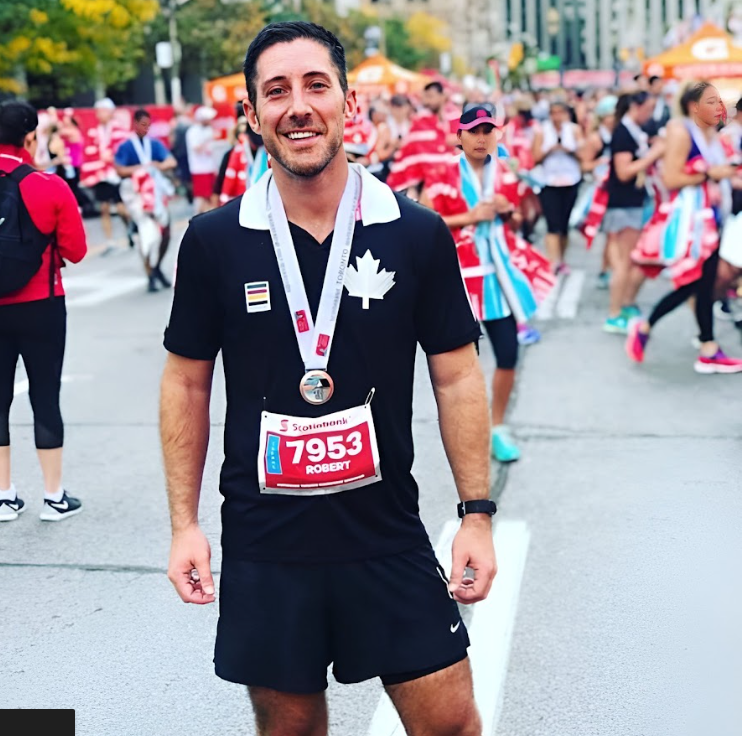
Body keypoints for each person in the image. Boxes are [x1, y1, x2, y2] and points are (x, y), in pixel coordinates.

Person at [160, 21, 496, 736]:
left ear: (349, 102)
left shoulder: (414, 232)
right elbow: (186, 382)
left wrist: (475, 512)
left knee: (451, 726)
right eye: (275, 91)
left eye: (316, 85)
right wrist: (184, 524)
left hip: (386, 534)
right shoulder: (216, 240)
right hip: (266, 543)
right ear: (250, 115)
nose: (298, 106)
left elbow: (458, 377)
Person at [420, 106, 554, 462]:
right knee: (466, 365)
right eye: (474, 131)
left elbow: (520, 218)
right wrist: (471, 216)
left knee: (508, 354)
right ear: (459, 136)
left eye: (488, 131)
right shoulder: (442, 171)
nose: (481, 138)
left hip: (500, 277)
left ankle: (497, 426)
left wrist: (509, 210)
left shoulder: (505, 171)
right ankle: (469, 427)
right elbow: (425, 222)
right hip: (459, 278)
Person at [0, 100, 87, 522]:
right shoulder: (49, 186)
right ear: (31, 136)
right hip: (42, 304)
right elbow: (77, 250)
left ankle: (4, 495)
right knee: (44, 395)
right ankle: (54, 497)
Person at [627, 82, 742, 373]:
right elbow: (672, 178)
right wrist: (710, 174)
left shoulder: (710, 134)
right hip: (693, 222)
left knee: (704, 284)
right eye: (712, 102)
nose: (720, 108)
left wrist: (724, 173)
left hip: (712, 217)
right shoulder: (681, 130)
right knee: (694, 282)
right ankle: (649, 327)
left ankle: (708, 346)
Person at [601, 92, 665, 334]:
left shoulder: (636, 131)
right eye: (648, 109)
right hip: (624, 205)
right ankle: (614, 313)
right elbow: (624, 172)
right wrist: (653, 155)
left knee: (631, 261)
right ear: (636, 108)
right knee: (624, 263)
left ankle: (625, 305)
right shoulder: (624, 133)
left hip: (634, 203)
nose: (650, 115)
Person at [115, 108, 177, 292]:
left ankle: (156, 267)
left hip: (156, 193)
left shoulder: (154, 144)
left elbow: (170, 161)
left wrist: (157, 165)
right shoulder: (127, 146)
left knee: (165, 231)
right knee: (146, 233)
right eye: (143, 125)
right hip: (138, 194)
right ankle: (150, 272)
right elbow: (119, 169)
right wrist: (140, 169)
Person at [531, 100, 584, 273]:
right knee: (552, 223)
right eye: (554, 113)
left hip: (570, 180)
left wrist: (569, 150)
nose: (557, 117)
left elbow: (584, 153)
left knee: (564, 224)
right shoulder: (542, 131)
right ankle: (553, 260)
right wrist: (550, 149)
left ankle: (562, 258)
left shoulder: (574, 130)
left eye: (560, 112)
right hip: (549, 181)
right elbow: (535, 156)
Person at [386, 81, 458, 197]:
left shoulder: (454, 117)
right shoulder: (421, 121)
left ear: (442, 96)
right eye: (425, 97)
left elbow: (464, 141)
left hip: (451, 177)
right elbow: (410, 150)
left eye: (431, 96)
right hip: (424, 179)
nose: (427, 101)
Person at [576, 93, 617, 289]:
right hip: (600, 191)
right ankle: (605, 269)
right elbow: (583, 165)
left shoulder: (618, 134)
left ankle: (609, 268)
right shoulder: (595, 138)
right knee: (610, 233)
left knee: (614, 233)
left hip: (614, 189)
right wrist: (597, 164)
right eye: (611, 114)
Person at [80, 98, 132, 249]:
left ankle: (129, 225)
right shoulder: (94, 132)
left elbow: (124, 151)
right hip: (100, 174)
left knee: (121, 207)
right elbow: (88, 152)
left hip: (116, 173)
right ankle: (109, 240)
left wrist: (113, 157)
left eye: (102, 111)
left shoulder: (119, 130)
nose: (99, 114)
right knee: (104, 207)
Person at [185, 105, 217, 213]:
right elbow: (196, 148)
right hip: (199, 169)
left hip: (210, 167)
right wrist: (207, 140)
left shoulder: (209, 130)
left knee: (211, 195)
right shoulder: (193, 132)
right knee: (201, 196)